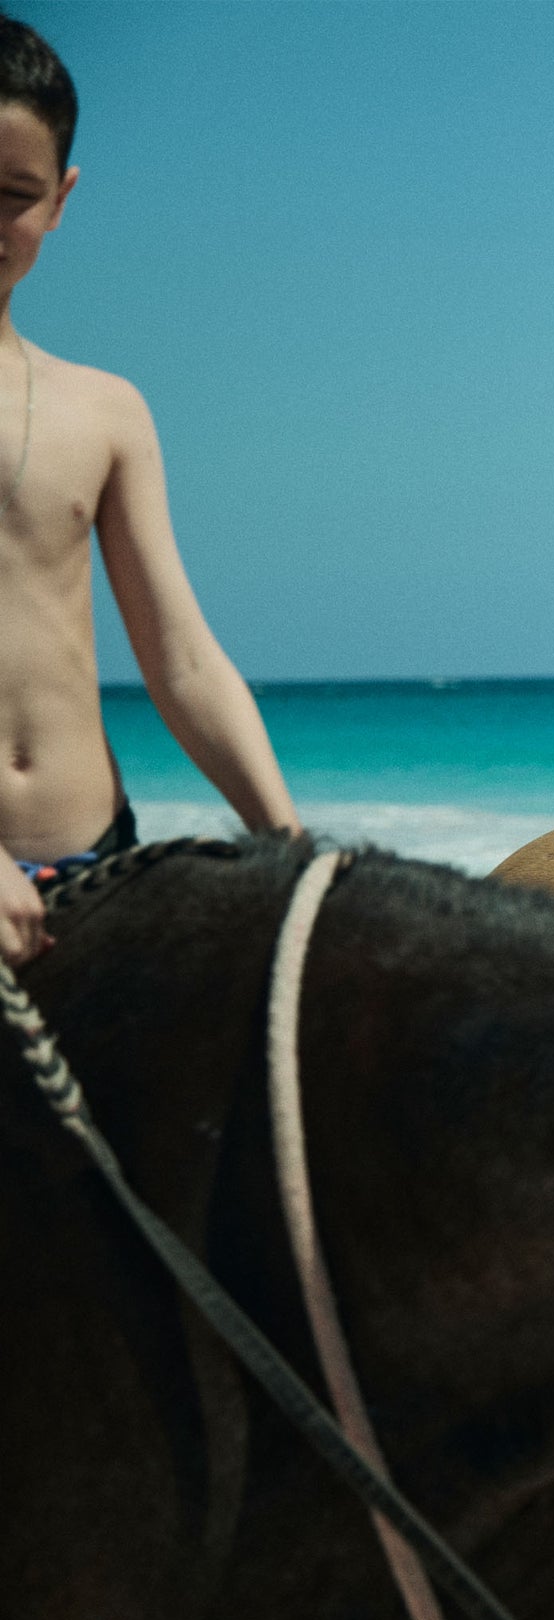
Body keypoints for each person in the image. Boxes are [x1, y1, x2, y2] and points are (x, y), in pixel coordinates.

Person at [0, 12, 299, 968]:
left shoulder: (105, 411)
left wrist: (286, 844)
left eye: (14, 193)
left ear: (60, 200)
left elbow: (180, 657)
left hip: (92, 872)